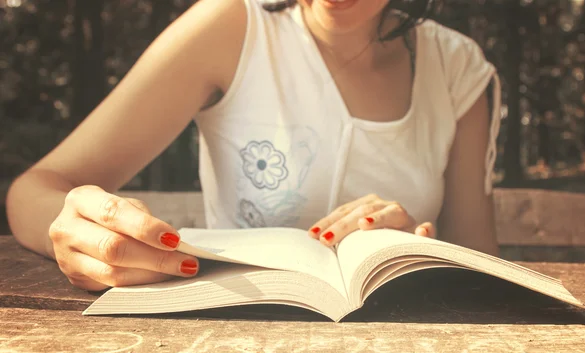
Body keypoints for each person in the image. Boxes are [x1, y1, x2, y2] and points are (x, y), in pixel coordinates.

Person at [6, 0, 501, 292]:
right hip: (228, 344)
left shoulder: (456, 68)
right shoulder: (232, 28)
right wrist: (85, 234)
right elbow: (37, 189)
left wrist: (412, 252)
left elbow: (483, 272)